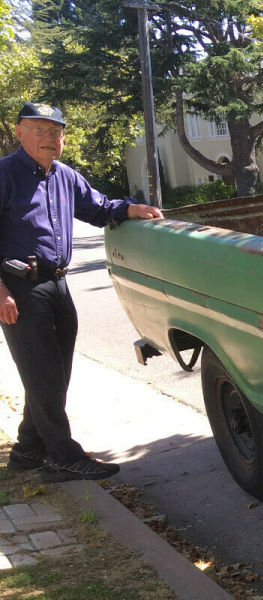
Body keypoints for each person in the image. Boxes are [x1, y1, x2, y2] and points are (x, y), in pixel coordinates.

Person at [0, 101, 162, 481]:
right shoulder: (4, 175)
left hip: (57, 284)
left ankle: (27, 450)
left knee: (53, 376)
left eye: (55, 132)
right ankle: (62, 457)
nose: (48, 138)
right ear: (20, 131)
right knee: (44, 377)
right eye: (38, 130)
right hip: (20, 291)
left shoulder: (64, 176)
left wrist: (130, 210)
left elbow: (99, 208)